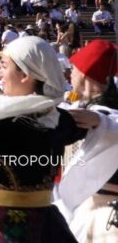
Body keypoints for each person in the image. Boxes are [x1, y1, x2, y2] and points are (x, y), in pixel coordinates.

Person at [0, 36, 105, 242]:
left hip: (7, 227)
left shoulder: (5, 125)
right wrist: (100, 120)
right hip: (48, 222)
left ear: (25, 75)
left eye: (4, 67)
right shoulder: (62, 118)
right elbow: (96, 126)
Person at [56, 39, 118, 242]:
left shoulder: (104, 115)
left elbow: (111, 122)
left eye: (73, 68)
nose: (70, 73)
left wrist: (101, 121)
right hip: (85, 207)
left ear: (84, 74)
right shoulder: (82, 108)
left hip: (104, 214)